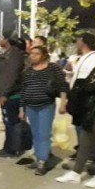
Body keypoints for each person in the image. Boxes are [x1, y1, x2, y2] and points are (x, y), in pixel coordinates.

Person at [56, 37, 95, 187]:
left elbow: (90, 87)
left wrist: (88, 84)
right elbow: (86, 84)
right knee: (84, 141)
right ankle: (76, 172)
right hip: (91, 108)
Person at [19, 45, 68, 175]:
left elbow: (63, 85)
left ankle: (42, 162)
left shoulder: (53, 68)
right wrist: (21, 108)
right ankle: (38, 156)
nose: (32, 56)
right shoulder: (28, 71)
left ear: (44, 55)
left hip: (46, 106)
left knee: (44, 134)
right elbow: (23, 91)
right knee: (35, 133)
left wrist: (63, 103)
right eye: (31, 54)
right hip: (30, 107)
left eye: (36, 54)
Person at [66, 33, 95, 164]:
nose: (76, 43)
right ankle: (82, 151)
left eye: (78, 40)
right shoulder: (82, 57)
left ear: (83, 41)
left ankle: (90, 154)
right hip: (77, 97)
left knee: (85, 128)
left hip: (84, 99)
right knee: (78, 126)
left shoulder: (93, 58)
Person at [0, 35, 26, 158]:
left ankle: (11, 149)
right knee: (9, 123)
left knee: (11, 123)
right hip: (7, 94)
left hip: (12, 96)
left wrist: (4, 94)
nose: (0, 40)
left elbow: (11, 76)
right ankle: (9, 147)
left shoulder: (14, 55)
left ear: (7, 40)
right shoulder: (9, 53)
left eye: (2, 38)